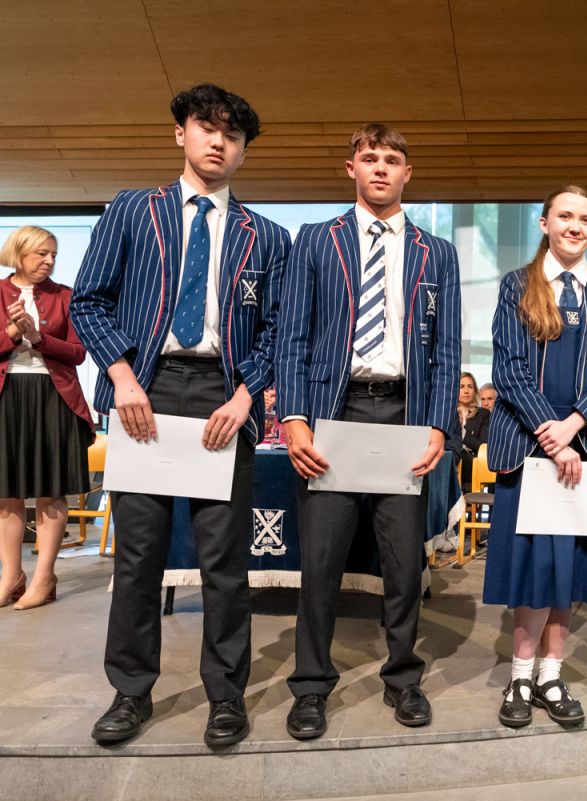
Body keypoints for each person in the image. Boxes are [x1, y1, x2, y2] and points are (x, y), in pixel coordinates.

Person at [70, 84, 291, 747]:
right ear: (181, 133)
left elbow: (277, 331)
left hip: (224, 398)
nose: (219, 141)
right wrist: (122, 377)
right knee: (138, 557)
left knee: (225, 562)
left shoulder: (265, 236)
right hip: (146, 389)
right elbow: (88, 301)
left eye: (233, 134)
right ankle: (130, 691)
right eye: (206, 127)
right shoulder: (133, 210)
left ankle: (226, 696)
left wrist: (246, 397)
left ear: (244, 151)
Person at [276, 123, 461, 740]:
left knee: (404, 565)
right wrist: (293, 417)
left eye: (392, 159)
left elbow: (445, 349)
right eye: (370, 157)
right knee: (320, 564)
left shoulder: (438, 253)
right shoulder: (316, 239)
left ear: (408, 173)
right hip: (334, 415)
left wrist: (439, 424)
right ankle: (310, 686)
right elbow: (293, 335)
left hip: (404, 417)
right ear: (350, 167)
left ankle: (403, 678)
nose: (381, 167)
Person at [484, 185, 587, 728]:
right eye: (565, 216)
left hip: (586, 445)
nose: (575, 226)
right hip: (530, 445)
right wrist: (553, 435)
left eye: (585, 219)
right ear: (544, 223)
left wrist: (573, 428)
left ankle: (551, 674)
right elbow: (509, 369)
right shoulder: (516, 285)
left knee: (569, 567)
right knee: (534, 568)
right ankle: (520, 676)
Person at [0, 227, 94, 610]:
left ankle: (44, 578)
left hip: (55, 395)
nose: (49, 261)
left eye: (53, 254)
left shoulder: (66, 296)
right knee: (6, 492)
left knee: (51, 489)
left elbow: (78, 352)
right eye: (41, 253)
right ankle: (11, 576)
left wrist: (38, 337)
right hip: (6, 396)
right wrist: (12, 331)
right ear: (19, 252)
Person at [457, 371, 490, 490]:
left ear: (475, 390)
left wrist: (463, 434)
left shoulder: (483, 414)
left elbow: (482, 446)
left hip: (472, 465)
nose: (466, 391)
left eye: (470, 387)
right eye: (461, 387)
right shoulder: (449, 413)